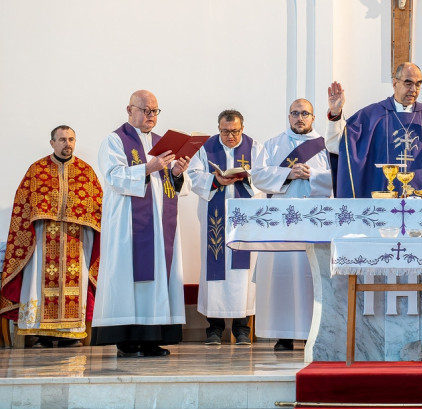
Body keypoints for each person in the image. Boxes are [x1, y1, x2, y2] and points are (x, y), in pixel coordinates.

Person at [92, 90, 190, 358]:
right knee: (128, 277)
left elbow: (174, 187)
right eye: (146, 110)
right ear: (129, 110)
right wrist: (148, 167)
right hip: (129, 225)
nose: (151, 116)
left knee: (158, 277)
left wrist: (176, 173)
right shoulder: (114, 141)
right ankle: (127, 340)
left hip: (160, 227)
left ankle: (151, 339)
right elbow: (113, 176)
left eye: (155, 111)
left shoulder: (163, 143)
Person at [0, 126, 102, 347]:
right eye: (62, 139)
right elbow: (23, 206)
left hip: (77, 240)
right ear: (52, 143)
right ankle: (42, 333)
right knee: (39, 284)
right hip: (43, 239)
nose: (68, 144)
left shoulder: (86, 171)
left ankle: (71, 333)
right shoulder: (37, 170)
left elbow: (97, 207)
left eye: (71, 139)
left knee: (75, 286)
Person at [326, 62, 422, 197]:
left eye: (418, 84)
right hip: (380, 205)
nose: (413, 89)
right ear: (395, 83)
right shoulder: (371, 116)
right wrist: (335, 113)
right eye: (408, 83)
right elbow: (339, 145)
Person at [252, 99, 332, 352]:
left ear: (313, 117)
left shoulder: (326, 146)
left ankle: (312, 331)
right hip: (282, 223)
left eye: (305, 113)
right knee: (282, 276)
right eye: (295, 113)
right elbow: (258, 176)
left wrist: (313, 175)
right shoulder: (273, 144)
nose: (300, 118)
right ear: (289, 117)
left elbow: (340, 178)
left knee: (312, 276)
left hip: (314, 222)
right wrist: (287, 173)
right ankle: (283, 334)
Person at [186, 109, 263, 346]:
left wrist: (247, 177)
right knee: (214, 272)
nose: (230, 136)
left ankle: (242, 329)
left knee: (244, 273)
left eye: (235, 131)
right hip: (215, 219)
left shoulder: (255, 148)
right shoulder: (205, 148)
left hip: (244, 219)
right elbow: (192, 176)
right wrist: (215, 180)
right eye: (225, 131)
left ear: (242, 128)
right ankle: (214, 329)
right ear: (219, 128)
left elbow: (265, 176)